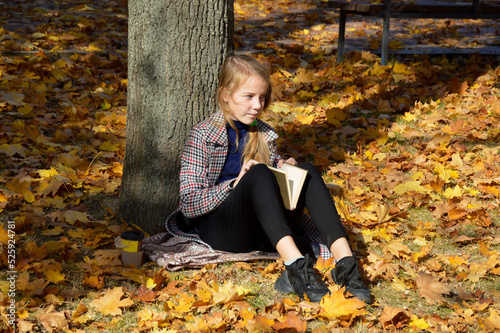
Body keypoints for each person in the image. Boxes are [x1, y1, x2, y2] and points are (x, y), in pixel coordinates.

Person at [173, 53, 371, 303]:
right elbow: (189, 203)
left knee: (306, 170)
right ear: (225, 95)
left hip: (265, 231)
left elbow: (269, 180)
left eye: (262, 97)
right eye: (249, 97)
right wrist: (234, 184)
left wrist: (284, 168)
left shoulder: (265, 134)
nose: (257, 105)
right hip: (222, 231)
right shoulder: (202, 135)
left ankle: (347, 267)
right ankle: (297, 268)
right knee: (257, 173)